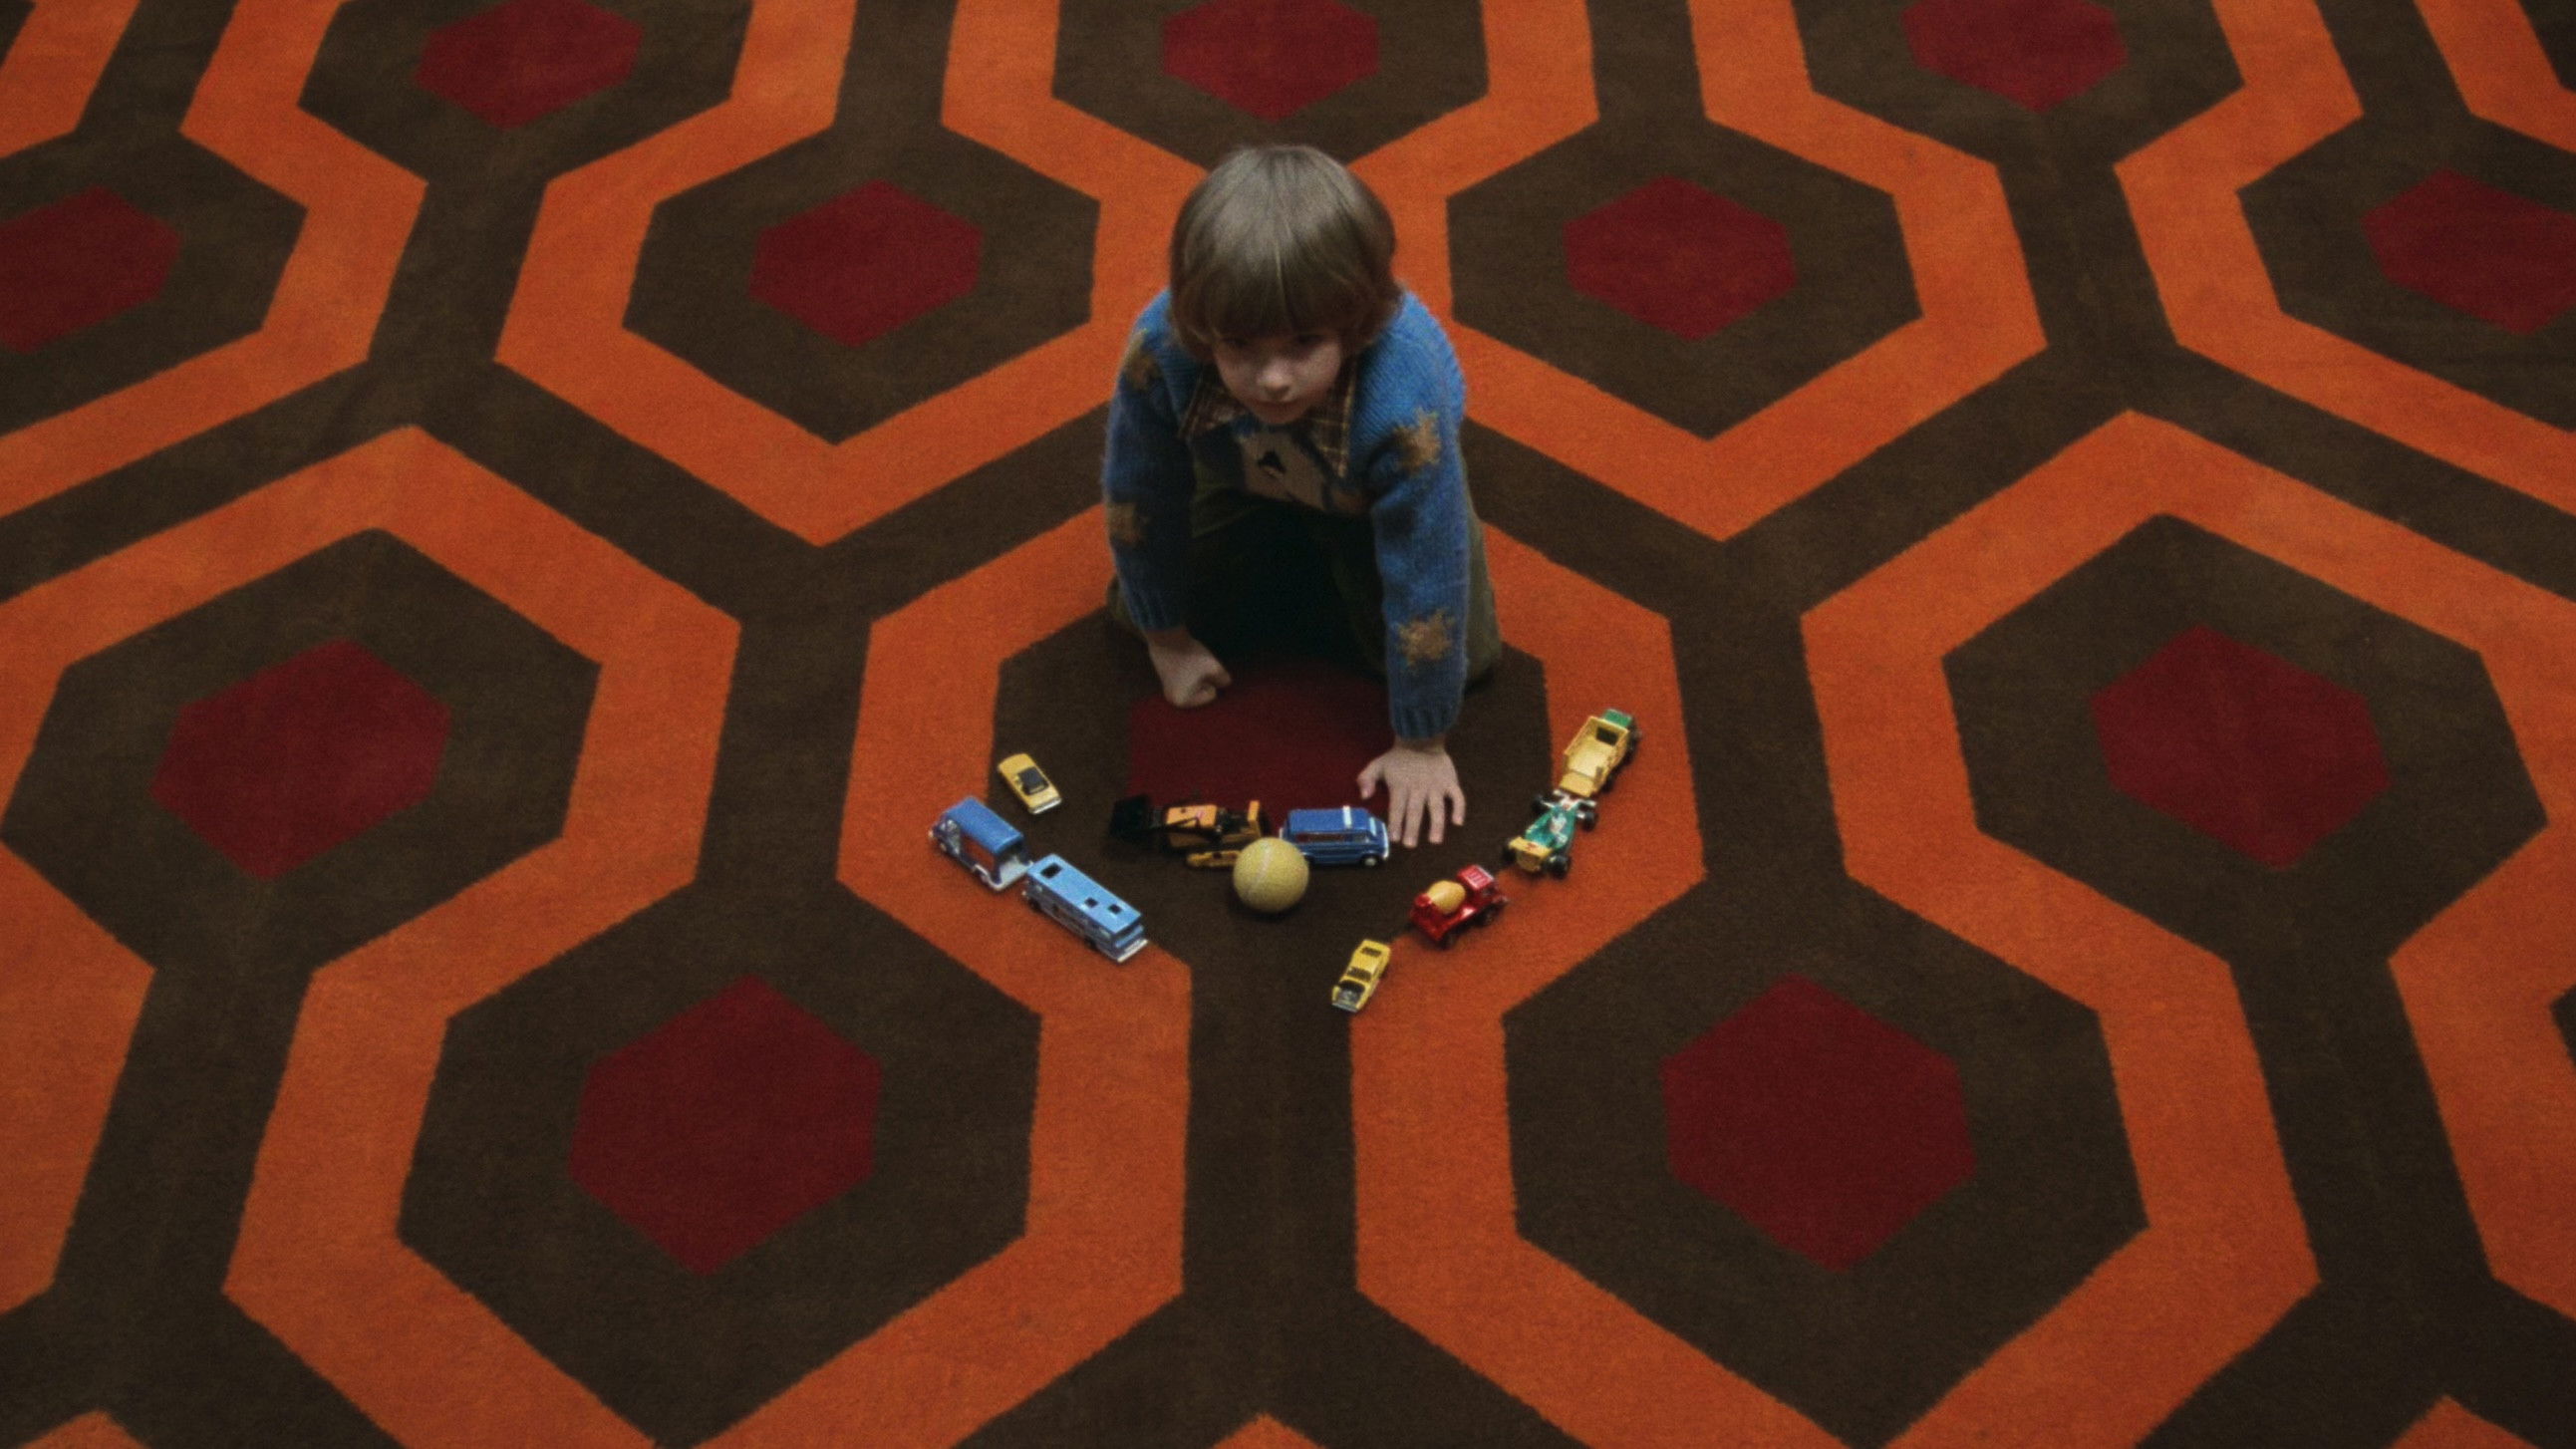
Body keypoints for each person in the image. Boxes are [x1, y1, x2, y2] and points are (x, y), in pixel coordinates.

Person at [1102, 144, 1500, 849]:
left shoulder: (1404, 401)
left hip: (1367, 497)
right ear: (1199, 329)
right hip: (1243, 473)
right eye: (1239, 346)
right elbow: (1140, 495)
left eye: (1304, 343)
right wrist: (1166, 639)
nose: (1274, 379)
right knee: (1130, 610)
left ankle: (1321, 551)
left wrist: (1420, 742)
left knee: (1467, 661)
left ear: (1356, 324)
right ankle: (1294, 552)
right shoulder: (1160, 349)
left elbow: (1426, 568)